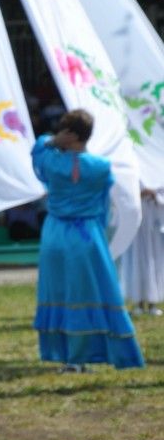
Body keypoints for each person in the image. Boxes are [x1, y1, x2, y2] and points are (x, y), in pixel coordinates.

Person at [31, 109, 144, 371]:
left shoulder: (51, 161)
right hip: (88, 236)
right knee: (91, 294)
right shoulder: (102, 167)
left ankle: (68, 357)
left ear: (69, 134)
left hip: (56, 235)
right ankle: (87, 355)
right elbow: (105, 205)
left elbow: (37, 150)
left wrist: (52, 142)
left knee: (59, 293)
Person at [118, 186, 164, 316]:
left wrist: (155, 195)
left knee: (152, 259)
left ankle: (152, 304)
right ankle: (138, 303)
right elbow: (122, 193)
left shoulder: (158, 171)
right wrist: (138, 193)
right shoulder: (132, 170)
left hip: (153, 222)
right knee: (136, 260)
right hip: (135, 222)